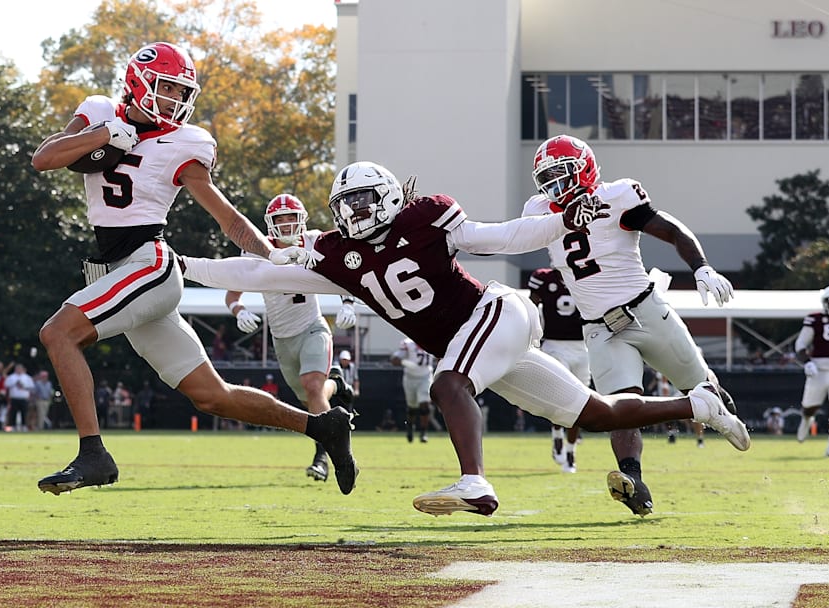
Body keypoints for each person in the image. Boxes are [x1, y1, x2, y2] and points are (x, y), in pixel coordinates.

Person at [180, 160, 750, 517]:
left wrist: (562, 221)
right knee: (594, 414)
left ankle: (475, 484)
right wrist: (184, 265)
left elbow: (502, 237)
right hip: (483, 340)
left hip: (496, 313)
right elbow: (259, 271)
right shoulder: (337, 255)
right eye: (345, 203)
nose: (353, 211)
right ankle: (698, 405)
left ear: (388, 196)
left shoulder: (425, 220)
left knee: (449, 383)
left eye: (362, 199)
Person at [29, 41, 357, 496]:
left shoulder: (184, 142)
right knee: (213, 396)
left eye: (181, 92)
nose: (174, 100)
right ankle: (322, 427)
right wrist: (107, 134)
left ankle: (93, 454)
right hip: (116, 272)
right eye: (166, 88)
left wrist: (270, 252)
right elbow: (45, 157)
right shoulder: (100, 111)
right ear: (139, 81)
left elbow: (227, 218)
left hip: (149, 265)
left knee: (58, 333)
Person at [522, 134, 738, 516]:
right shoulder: (539, 209)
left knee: (704, 386)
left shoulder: (618, 195)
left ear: (585, 169)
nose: (555, 185)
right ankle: (632, 480)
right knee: (621, 408)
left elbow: (670, 230)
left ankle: (722, 413)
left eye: (562, 174)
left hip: (647, 311)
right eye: (548, 178)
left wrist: (701, 267)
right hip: (600, 328)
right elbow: (515, 237)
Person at [224, 193, 358, 482]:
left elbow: (346, 271)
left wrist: (348, 302)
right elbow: (232, 294)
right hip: (282, 339)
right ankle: (337, 384)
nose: (286, 224)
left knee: (312, 388)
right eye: (280, 219)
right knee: (310, 397)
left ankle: (322, 458)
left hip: (312, 327)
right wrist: (239, 311)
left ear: (302, 220)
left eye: (291, 218)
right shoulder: (256, 250)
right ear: (270, 223)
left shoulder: (314, 241)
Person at [527, 267, 588, 473]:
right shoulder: (544, 278)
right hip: (554, 345)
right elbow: (531, 307)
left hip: (582, 347)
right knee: (560, 395)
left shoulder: (586, 274)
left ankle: (571, 452)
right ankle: (557, 434)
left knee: (580, 400)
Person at [794, 285, 829, 457]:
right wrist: (807, 362)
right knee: (810, 407)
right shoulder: (814, 319)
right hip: (819, 369)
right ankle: (806, 418)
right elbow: (800, 344)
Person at [390, 337, 435, 443]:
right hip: (410, 378)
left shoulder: (433, 340)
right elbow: (396, 358)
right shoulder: (408, 343)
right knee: (412, 407)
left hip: (425, 376)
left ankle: (423, 433)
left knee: (424, 405)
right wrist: (401, 361)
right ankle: (410, 428)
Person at [5, 363, 35, 431]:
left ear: (22, 369)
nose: (18, 370)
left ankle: (24, 425)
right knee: (13, 413)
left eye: (19, 369)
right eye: (17, 369)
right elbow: (6, 384)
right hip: (14, 398)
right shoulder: (11, 377)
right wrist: (14, 383)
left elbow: (31, 386)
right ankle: (13, 426)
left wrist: (24, 386)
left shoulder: (27, 377)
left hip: (23, 398)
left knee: (24, 412)